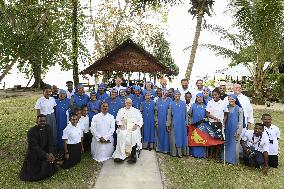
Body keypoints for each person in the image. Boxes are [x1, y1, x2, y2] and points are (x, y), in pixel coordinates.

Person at [20, 114, 57, 181]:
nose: (43, 123)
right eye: (41, 121)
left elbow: (50, 142)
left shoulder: (48, 128)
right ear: (37, 121)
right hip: (35, 153)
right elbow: (34, 147)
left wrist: (51, 153)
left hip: (46, 150)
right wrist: (46, 155)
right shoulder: (31, 132)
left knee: (49, 162)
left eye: (44, 121)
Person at [112, 98, 143, 163]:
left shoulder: (136, 110)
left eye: (129, 103)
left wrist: (136, 125)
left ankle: (133, 155)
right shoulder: (121, 110)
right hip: (124, 127)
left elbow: (141, 120)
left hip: (133, 127)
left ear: (131, 103)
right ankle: (121, 155)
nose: (128, 104)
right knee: (122, 134)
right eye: (127, 103)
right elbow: (117, 119)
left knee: (134, 134)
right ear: (125, 103)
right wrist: (120, 125)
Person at [206, 88, 228, 159]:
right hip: (211, 123)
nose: (214, 96)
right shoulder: (210, 102)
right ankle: (210, 155)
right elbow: (207, 114)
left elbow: (225, 114)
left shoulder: (223, 103)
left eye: (215, 95)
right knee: (211, 138)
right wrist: (215, 118)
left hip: (220, 124)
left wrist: (223, 122)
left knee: (219, 139)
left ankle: (217, 155)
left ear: (219, 95)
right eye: (212, 95)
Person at [222, 94, 243, 164]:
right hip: (227, 129)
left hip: (235, 130)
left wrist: (238, 132)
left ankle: (233, 161)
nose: (231, 100)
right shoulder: (226, 108)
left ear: (235, 100)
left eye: (232, 99)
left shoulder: (239, 109)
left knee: (234, 145)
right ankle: (225, 159)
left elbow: (240, 122)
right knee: (227, 143)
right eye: (229, 99)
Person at [167, 90, 189, 158]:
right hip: (174, 124)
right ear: (174, 95)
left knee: (182, 137)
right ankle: (174, 153)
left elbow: (186, 114)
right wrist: (168, 123)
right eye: (176, 94)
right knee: (174, 138)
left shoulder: (183, 103)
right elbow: (169, 114)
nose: (177, 96)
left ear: (180, 95)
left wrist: (186, 122)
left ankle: (181, 153)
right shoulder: (171, 103)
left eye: (178, 94)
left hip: (182, 124)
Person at [189, 93, 208, 158]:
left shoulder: (205, 106)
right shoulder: (193, 105)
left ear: (203, 98)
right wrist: (190, 122)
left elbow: (207, 116)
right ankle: (194, 153)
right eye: (198, 97)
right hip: (194, 126)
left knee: (202, 139)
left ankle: (202, 154)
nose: (199, 98)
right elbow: (189, 114)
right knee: (195, 139)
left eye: (201, 97)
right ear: (196, 98)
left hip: (202, 126)